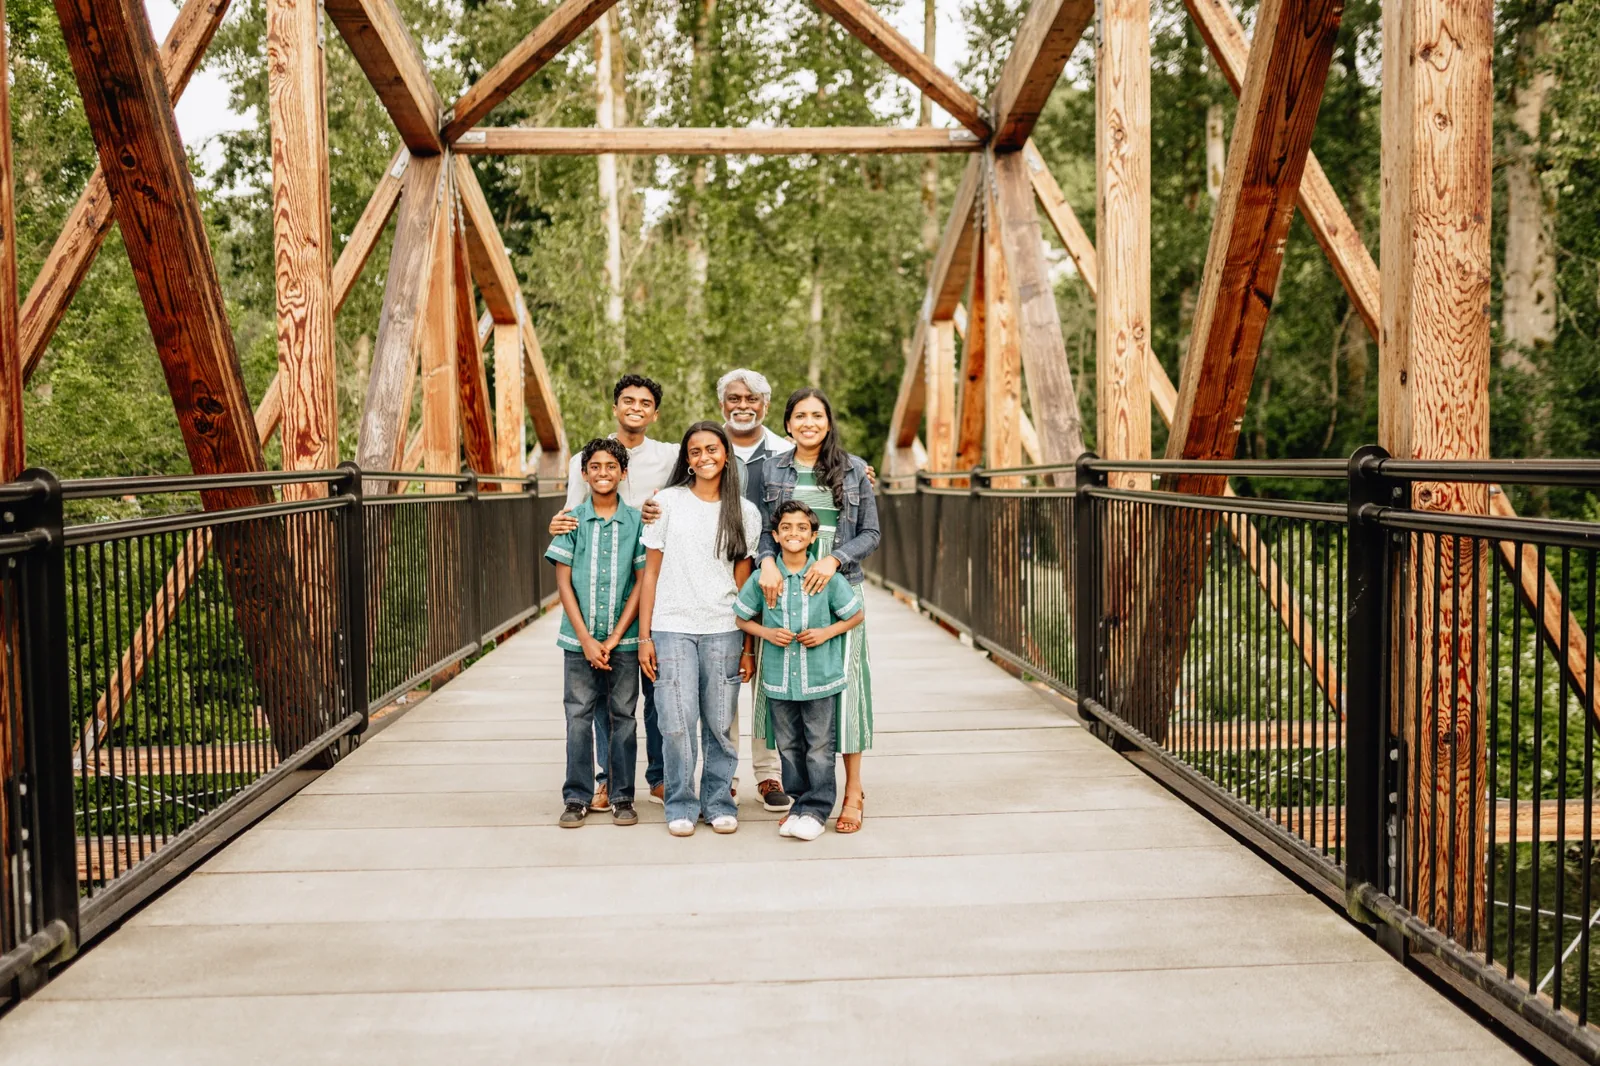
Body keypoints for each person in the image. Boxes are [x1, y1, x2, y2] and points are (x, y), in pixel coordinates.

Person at [756, 387, 881, 834]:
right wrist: (767, 562)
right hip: (786, 586)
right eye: (800, 416)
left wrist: (833, 559)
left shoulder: (852, 470)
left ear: (828, 422)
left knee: (845, 692)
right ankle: (806, 794)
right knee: (795, 688)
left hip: (839, 585)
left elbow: (870, 533)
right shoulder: (770, 469)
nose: (809, 423)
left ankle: (852, 792)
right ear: (788, 424)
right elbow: (760, 529)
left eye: (818, 416)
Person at [549, 375, 676, 810]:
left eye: (645, 402)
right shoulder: (587, 456)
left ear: (655, 412)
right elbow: (571, 513)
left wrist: (852, 466)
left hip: (654, 582)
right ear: (615, 406)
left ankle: (656, 776)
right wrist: (557, 525)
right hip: (598, 592)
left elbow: (717, 462)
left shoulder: (671, 455)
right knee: (604, 699)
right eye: (628, 400)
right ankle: (605, 780)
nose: (636, 407)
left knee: (653, 688)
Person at [637, 422, 764, 837]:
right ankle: (680, 802)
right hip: (671, 626)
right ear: (686, 460)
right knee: (675, 720)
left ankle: (718, 801)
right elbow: (650, 575)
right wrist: (644, 637)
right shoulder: (666, 503)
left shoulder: (744, 512)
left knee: (718, 721)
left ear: (726, 454)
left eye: (712, 449)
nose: (704, 457)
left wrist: (748, 646)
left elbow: (744, 586)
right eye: (695, 451)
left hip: (724, 627)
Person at [735, 501, 864, 841]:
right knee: (789, 747)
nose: (794, 533)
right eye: (787, 528)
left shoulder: (825, 577)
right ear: (775, 536)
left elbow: (855, 614)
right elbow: (741, 616)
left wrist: (825, 633)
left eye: (802, 528)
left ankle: (817, 809)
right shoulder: (765, 578)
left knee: (819, 746)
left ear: (813, 536)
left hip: (820, 678)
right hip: (778, 680)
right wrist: (765, 633)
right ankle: (800, 805)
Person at [546, 439, 647, 829]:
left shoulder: (637, 522)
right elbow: (564, 582)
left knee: (623, 716)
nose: (603, 473)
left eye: (611, 467)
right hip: (578, 640)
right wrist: (587, 638)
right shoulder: (572, 519)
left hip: (622, 639)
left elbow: (641, 583)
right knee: (578, 716)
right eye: (595, 467)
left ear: (623, 473)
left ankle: (622, 795)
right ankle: (576, 796)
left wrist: (615, 636)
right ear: (584, 473)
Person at [717, 368, 793, 812]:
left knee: (766, 682)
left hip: (773, 582)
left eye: (751, 398)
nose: (742, 405)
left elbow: (826, 474)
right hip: (717, 583)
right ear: (722, 404)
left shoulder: (786, 453)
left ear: (766, 405)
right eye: (733, 398)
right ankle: (724, 776)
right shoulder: (705, 448)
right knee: (725, 680)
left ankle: (769, 775)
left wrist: (862, 474)